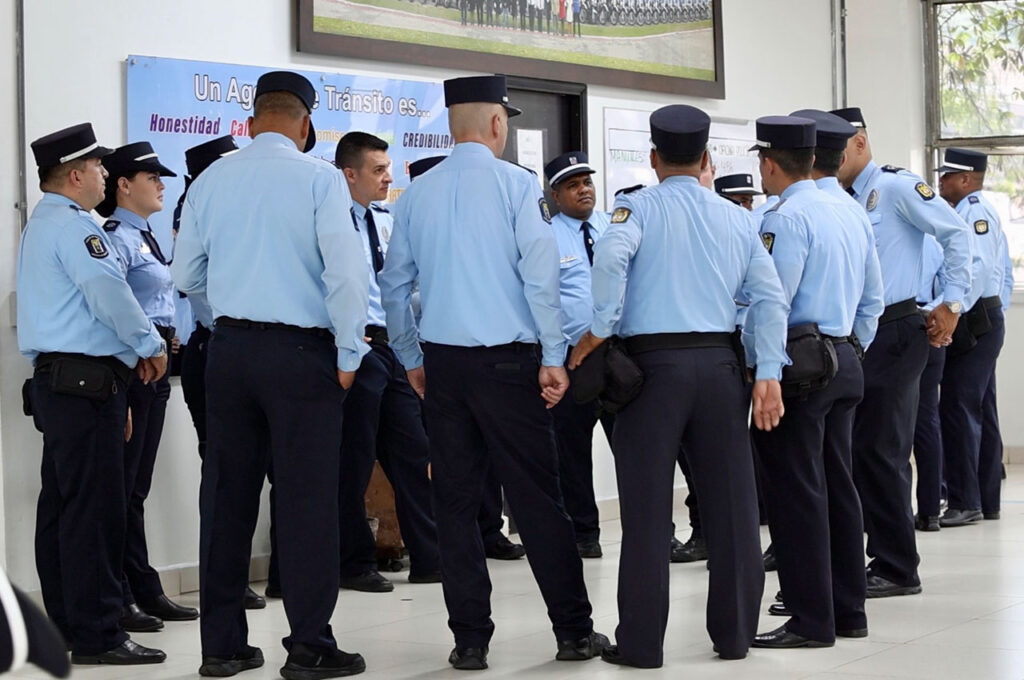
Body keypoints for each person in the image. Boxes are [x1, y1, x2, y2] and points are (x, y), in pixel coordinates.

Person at [379, 74, 607, 671]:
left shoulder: (417, 193)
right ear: (499, 125)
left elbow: (394, 285)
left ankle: (470, 641)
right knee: (537, 500)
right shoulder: (517, 186)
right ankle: (574, 633)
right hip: (510, 365)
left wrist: (411, 358)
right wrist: (554, 358)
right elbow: (540, 278)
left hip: (444, 369)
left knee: (453, 505)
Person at [570, 104, 789, 666]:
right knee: (735, 509)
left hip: (651, 373)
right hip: (720, 367)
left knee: (644, 511)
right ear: (708, 160)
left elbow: (612, 263)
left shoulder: (634, 209)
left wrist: (598, 331)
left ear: (653, 157)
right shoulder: (738, 219)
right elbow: (770, 297)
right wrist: (768, 371)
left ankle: (643, 645)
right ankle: (735, 635)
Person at [172, 71, 370, 679]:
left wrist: (231, 312)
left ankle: (222, 647)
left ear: (251, 120)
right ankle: (309, 645)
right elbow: (344, 275)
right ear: (305, 124)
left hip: (228, 354)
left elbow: (187, 278)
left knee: (226, 499)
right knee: (308, 499)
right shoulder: (319, 179)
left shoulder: (211, 179)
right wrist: (347, 356)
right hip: (301, 357)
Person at [19, 122, 168, 665]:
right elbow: (109, 292)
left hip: (65, 385)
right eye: (101, 167)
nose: (107, 174)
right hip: (84, 385)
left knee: (62, 510)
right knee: (95, 513)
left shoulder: (45, 225)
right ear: (78, 173)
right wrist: (149, 343)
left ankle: (65, 624)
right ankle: (100, 633)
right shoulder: (79, 230)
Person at [748, 112, 883, 649]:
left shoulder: (785, 218)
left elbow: (771, 300)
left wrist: (765, 371)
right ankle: (849, 611)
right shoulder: (849, 210)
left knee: (797, 494)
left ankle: (810, 619)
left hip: (798, 367)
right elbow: (873, 299)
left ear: (769, 163)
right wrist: (848, 348)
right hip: (845, 357)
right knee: (839, 490)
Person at [832, 106, 973, 598]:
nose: (828, 157)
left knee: (881, 449)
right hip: (854, 334)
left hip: (894, 329)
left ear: (861, 144)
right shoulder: (838, 199)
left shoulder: (893, 187)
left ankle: (896, 565)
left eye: (838, 147)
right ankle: (867, 557)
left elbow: (954, 235)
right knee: (853, 450)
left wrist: (951, 303)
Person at [93, 142, 200, 632]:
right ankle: (124, 592)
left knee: (135, 487)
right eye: (150, 176)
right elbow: (113, 303)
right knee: (121, 488)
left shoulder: (147, 236)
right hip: (135, 366)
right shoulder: (115, 236)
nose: (160, 183)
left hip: (158, 364)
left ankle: (141, 585)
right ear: (122, 185)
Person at [334, 132, 441, 592]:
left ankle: (431, 556)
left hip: (393, 346)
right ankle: (354, 562)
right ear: (349, 174)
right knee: (353, 461)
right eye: (378, 170)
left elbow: (403, 285)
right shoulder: (331, 223)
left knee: (414, 452)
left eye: (388, 168)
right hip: (355, 348)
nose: (388, 178)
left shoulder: (384, 220)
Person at [407, 155, 527, 563]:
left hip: (483, 355)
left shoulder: (479, 221)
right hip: (440, 353)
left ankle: (491, 529)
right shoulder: (419, 219)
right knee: (453, 473)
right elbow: (404, 290)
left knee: (491, 463)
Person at [172, 136, 267, 610]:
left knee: (242, 473)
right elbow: (194, 286)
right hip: (215, 345)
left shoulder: (210, 200)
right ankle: (225, 585)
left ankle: (238, 580)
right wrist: (234, 318)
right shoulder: (197, 205)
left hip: (229, 345)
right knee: (226, 477)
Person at [543, 150, 614, 559]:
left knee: (637, 448)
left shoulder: (613, 227)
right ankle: (585, 533)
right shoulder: (546, 236)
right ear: (556, 195)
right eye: (572, 185)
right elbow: (544, 300)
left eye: (586, 181)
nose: (584, 190)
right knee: (572, 452)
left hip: (619, 358)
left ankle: (658, 529)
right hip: (573, 359)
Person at [936, 148, 1006, 527]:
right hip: (983, 316)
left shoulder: (974, 212)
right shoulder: (967, 211)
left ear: (965, 180)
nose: (941, 181)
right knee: (980, 410)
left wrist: (950, 309)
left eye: (947, 176)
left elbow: (975, 270)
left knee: (959, 409)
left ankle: (965, 500)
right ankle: (986, 498)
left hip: (973, 318)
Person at [912, 238, 946, 532]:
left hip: (901, 324)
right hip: (931, 322)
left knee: (887, 428)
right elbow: (950, 287)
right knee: (927, 420)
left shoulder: (883, 235)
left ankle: (888, 511)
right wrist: (934, 312)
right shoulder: (935, 242)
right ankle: (930, 510)